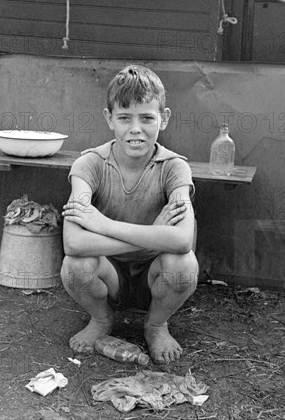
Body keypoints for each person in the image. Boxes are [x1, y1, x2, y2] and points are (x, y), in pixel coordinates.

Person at [60, 65, 199, 364]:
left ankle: (156, 324)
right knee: (74, 267)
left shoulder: (174, 168)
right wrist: (154, 237)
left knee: (183, 265)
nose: (136, 129)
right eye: (124, 118)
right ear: (109, 119)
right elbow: (73, 243)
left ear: (164, 118)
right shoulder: (89, 165)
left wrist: (105, 225)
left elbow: (183, 240)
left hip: (154, 276)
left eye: (147, 118)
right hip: (108, 274)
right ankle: (101, 319)